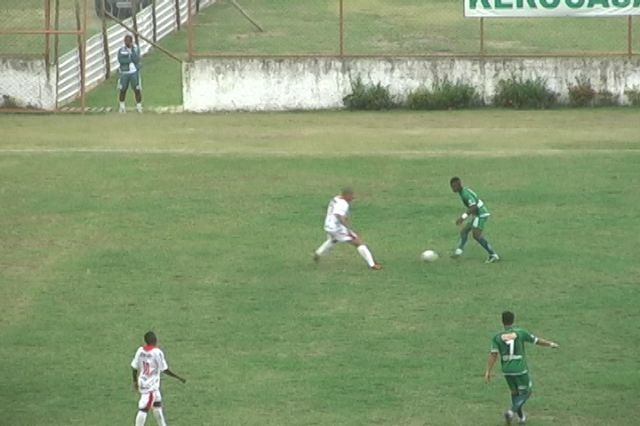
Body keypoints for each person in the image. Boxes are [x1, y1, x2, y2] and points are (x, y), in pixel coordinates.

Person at [484, 311, 560, 425]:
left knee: (515, 393)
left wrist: (488, 371)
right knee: (527, 392)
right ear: (513, 320)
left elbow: (493, 355)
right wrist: (551, 344)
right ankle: (511, 412)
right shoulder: (520, 333)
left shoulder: (497, 337)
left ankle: (521, 418)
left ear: (502, 321)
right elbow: (537, 341)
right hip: (520, 369)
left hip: (507, 370)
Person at [314, 188, 382, 270]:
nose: (353, 198)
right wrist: (348, 229)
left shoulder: (336, 198)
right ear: (346, 195)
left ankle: (318, 253)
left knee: (333, 240)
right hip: (336, 228)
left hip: (328, 225)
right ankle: (372, 265)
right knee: (358, 242)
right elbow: (339, 216)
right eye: (351, 196)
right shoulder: (343, 204)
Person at [131, 331, 186, 426]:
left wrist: (135, 381)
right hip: (150, 386)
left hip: (143, 382)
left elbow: (134, 367)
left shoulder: (140, 351)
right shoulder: (157, 352)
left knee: (157, 405)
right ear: (155, 340)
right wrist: (178, 377)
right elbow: (164, 369)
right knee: (143, 409)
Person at [450, 176, 500, 263]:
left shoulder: (465, 194)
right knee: (464, 231)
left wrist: (463, 217)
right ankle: (458, 252)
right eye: (452, 186)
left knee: (476, 235)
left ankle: (493, 255)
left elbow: (474, 207)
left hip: (480, 214)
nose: (453, 188)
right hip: (477, 214)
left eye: (454, 186)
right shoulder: (463, 191)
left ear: (459, 185)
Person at [118, 34, 143, 113]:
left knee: (136, 88)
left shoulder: (136, 49)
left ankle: (139, 106)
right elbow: (121, 61)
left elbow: (137, 59)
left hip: (134, 72)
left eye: (129, 41)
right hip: (125, 72)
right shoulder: (121, 50)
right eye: (126, 41)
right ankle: (122, 106)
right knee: (123, 88)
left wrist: (132, 51)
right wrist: (129, 60)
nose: (127, 43)